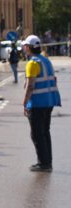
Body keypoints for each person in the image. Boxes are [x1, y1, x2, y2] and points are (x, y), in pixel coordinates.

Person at [22, 35, 61, 172]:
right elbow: (54, 80)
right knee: (45, 132)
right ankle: (47, 161)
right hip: (49, 101)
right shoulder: (46, 60)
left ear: (29, 47)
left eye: (25, 46)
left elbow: (30, 86)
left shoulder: (32, 63)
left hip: (37, 103)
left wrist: (25, 102)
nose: (23, 48)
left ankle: (43, 163)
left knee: (37, 134)